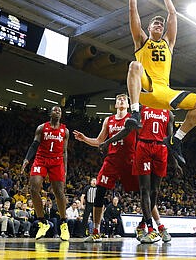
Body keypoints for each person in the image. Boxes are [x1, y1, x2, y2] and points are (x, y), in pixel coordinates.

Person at [125, 0, 196, 164]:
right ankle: (135, 112)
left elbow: (172, 13)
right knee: (135, 65)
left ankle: (175, 139)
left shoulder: (168, 43)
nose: (159, 24)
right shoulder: (141, 41)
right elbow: (132, 10)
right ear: (148, 28)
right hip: (147, 88)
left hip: (165, 93)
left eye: (161, 24)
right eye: (155, 22)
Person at [72, 94, 165, 243]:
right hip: (112, 161)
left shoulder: (134, 119)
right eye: (118, 99)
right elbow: (99, 141)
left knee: (145, 193)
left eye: (124, 99)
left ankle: (159, 226)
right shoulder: (108, 120)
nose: (121, 101)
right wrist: (85, 139)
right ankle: (96, 231)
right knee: (99, 193)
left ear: (129, 105)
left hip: (131, 160)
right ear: (115, 105)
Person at [99, 105, 179, 243]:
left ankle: (142, 224)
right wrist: (108, 142)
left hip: (161, 149)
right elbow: (127, 129)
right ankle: (150, 228)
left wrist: (175, 161)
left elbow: (170, 139)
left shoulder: (168, 113)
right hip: (144, 147)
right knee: (144, 190)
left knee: (155, 191)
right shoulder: (141, 109)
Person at [21, 105, 70, 241]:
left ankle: (63, 223)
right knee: (33, 189)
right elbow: (34, 145)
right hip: (41, 159)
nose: (57, 112)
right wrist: (26, 159)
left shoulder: (65, 131)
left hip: (57, 161)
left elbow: (65, 151)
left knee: (59, 192)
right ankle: (42, 222)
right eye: (55, 110)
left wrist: (65, 170)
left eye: (59, 111)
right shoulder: (41, 128)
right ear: (50, 113)